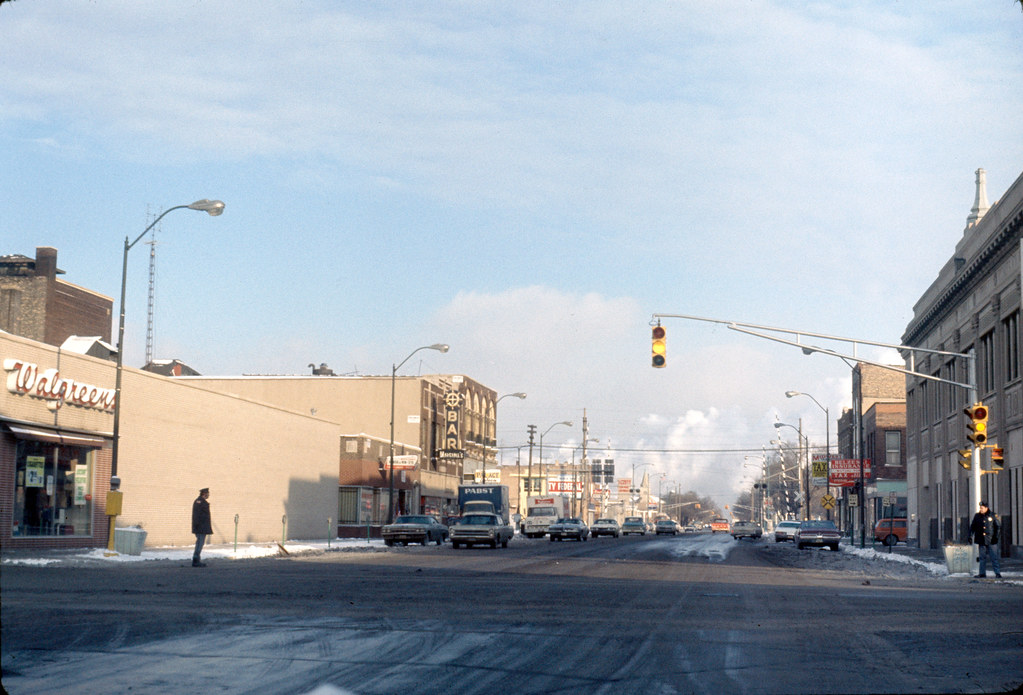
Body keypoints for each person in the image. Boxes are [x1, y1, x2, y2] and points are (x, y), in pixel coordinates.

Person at [968, 500, 1001, 578]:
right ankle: (982, 573)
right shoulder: (977, 516)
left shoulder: (993, 515)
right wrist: (970, 536)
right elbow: (972, 527)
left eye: (982, 508)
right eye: (980, 508)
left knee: (994, 557)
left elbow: (998, 527)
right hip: (981, 540)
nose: (981, 509)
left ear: (986, 508)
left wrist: (996, 537)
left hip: (991, 540)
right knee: (982, 557)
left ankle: (997, 573)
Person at [191, 488, 212, 567]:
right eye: (207, 493)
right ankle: (196, 560)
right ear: (204, 494)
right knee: (200, 543)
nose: (208, 495)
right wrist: (197, 526)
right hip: (200, 527)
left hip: (202, 527)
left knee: (200, 543)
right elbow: (196, 515)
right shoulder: (199, 502)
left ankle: (197, 559)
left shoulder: (202, 502)